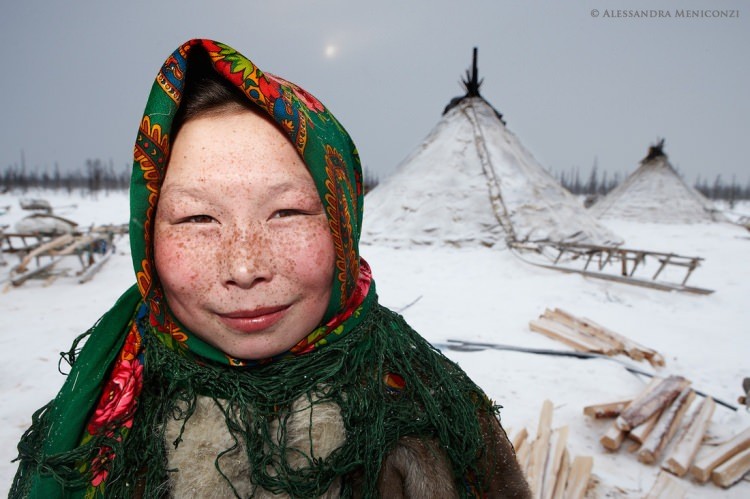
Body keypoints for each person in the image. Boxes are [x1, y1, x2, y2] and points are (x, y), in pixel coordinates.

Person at [11, 39, 530, 498]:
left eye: (287, 212)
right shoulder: (97, 411)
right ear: (147, 235)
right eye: (196, 218)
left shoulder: (440, 420)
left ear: (341, 225)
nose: (244, 267)